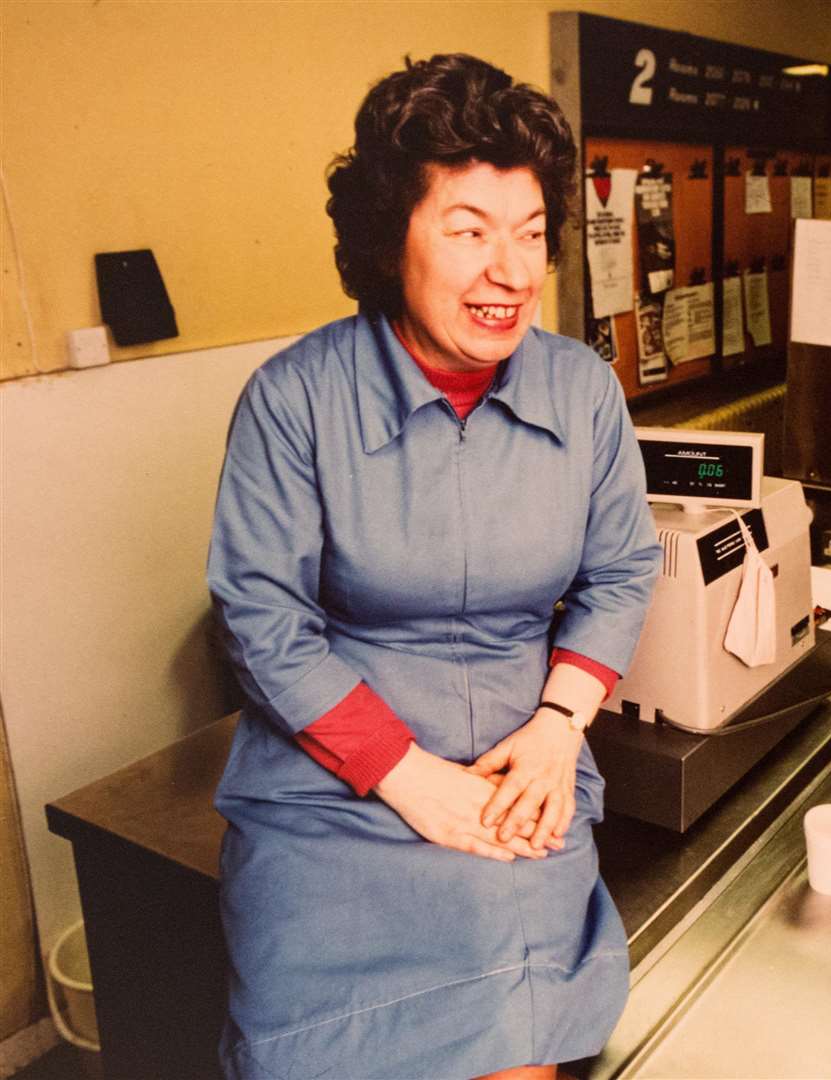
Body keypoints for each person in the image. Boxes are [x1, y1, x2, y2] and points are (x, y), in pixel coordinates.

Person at [207, 54, 660, 1080]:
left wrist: (557, 728)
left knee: (516, 1054)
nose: (509, 271)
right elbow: (260, 617)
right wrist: (404, 774)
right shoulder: (294, 399)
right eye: (467, 232)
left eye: (531, 234)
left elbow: (623, 569)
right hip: (330, 786)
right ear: (387, 240)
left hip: (517, 769)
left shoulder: (583, 391)